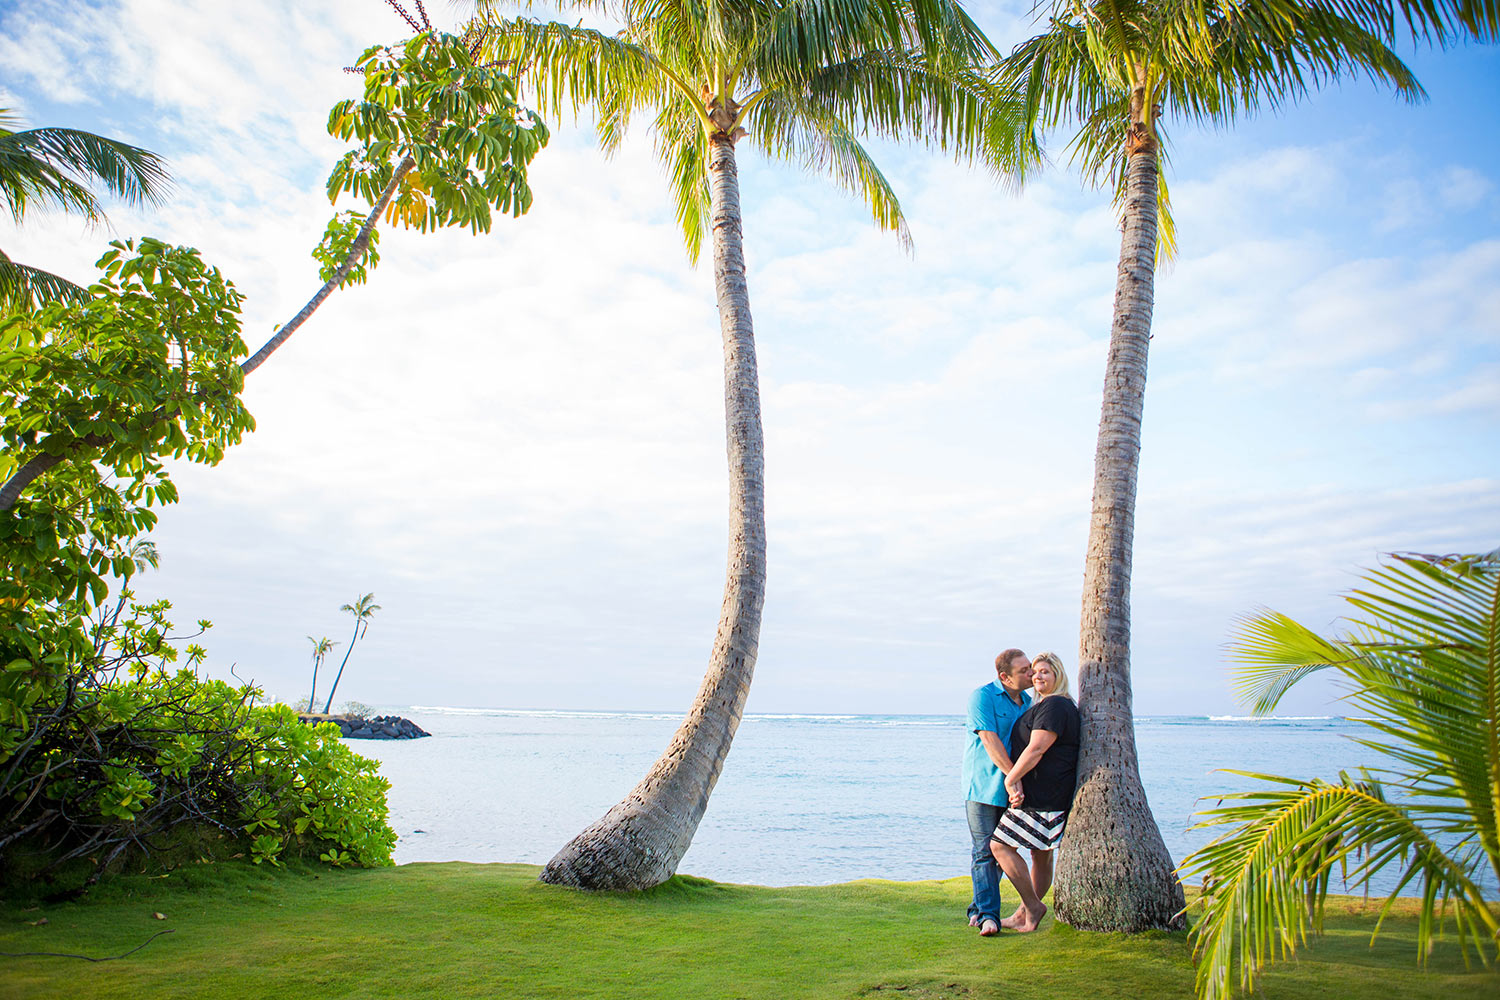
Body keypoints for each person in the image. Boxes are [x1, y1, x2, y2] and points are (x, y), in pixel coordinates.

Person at [990, 650, 1080, 933]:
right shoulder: (1049, 704)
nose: (1037, 676)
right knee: (1040, 854)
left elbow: (1037, 748)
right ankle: (1022, 916)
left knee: (1000, 846)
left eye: (1045, 671)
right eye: (1034, 671)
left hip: (1043, 796)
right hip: (1047, 793)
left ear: (1058, 676)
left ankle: (1033, 906)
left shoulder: (1055, 706)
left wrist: (1011, 778)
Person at [963, 648, 1033, 937]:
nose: (1030, 673)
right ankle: (988, 917)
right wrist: (1012, 777)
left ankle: (977, 907)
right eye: (1024, 670)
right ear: (1005, 676)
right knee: (983, 852)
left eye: (1030, 667)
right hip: (982, 787)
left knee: (1003, 852)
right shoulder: (982, 697)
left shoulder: (1028, 702)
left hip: (1011, 789)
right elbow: (990, 740)